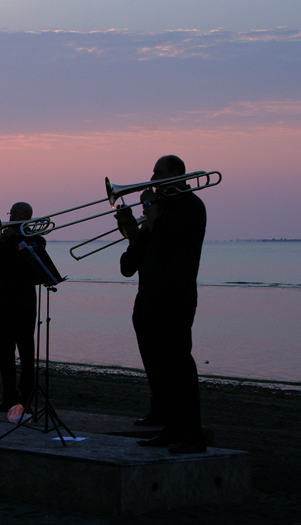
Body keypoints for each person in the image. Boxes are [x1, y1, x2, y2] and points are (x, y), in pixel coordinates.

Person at [115, 155, 207, 454]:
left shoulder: (191, 207)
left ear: (178, 174)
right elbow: (131, 263)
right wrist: (130, 228)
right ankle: (170, 427)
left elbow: (165, 236)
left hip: (175, 295)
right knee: (157, 365)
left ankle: (192, 435)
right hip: (149, 297)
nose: (152, 179)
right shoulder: (160, 210)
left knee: (179, 364)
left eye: (159, 173)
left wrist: (151, 212)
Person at [0, 202, 42, 412]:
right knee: (4, 352)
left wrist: (15, 238)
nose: (11, 216)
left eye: (17, 213)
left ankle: (26, 400)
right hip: (3, 303)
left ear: (27, 217)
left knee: (26, 352)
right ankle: (8, 398)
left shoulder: (36, 240)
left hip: (25, 304)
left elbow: (36, 269)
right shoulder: (2, 242)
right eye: (11, 213)